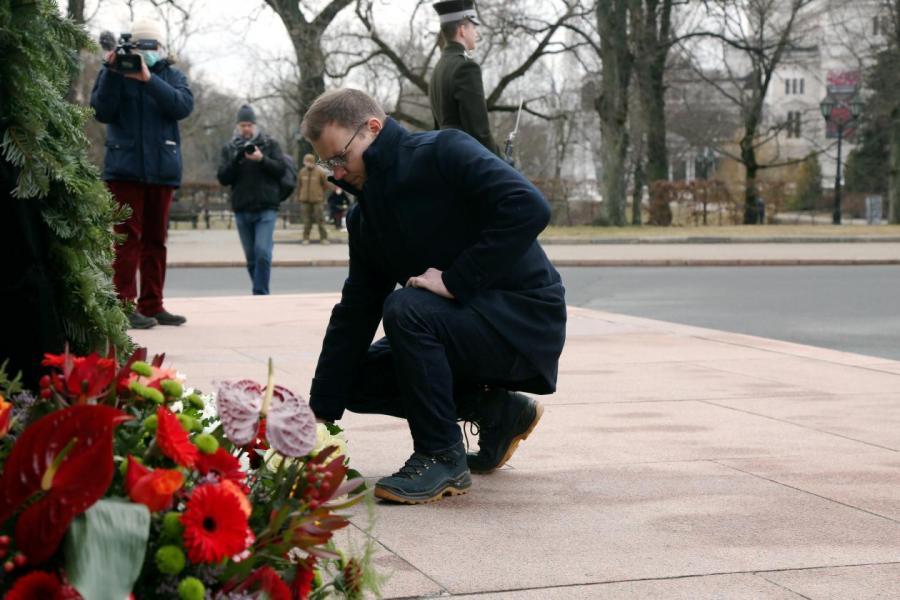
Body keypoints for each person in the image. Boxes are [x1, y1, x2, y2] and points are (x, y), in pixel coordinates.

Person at [301, 89, 566, 505]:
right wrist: (319, 414)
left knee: (407, 309)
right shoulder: (365, 218)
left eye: (340, 158)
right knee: (351, 376)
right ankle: (497, 412)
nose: (335, 174)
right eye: (327, 164)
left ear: (373, 128)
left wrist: (457, 280)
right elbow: (355, 311)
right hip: (460, 325)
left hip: (522, 321)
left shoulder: (444, 150)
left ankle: (441, 455)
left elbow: (529, 207)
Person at [90, 17, 193, 329]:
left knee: (156, 240)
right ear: (131, 47)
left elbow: (182, 106)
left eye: (152, 46)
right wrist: (111, 71)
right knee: (126, 239)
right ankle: (124, 305)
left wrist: (149, 79)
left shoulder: (172, 75)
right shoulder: (114, 74)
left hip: (162, 169)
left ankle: (153, 304)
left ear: (161, 48)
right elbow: (100, 111)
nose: (147, 52)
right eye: (141, 46)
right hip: (125, 171)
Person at [216, 105, 288, 295]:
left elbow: (281, 170)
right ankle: (260, 291)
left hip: (267, 208)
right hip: (242, 208)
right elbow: (223, 178)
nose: (246, 129)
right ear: (237, 126)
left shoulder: (270, 144)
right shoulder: (230, 148)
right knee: (251, 257)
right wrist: (237, 158)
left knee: (262, 253)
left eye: (249, 125)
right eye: (243, 125)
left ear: (255, 125)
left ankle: (260, 293)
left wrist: (261, 159)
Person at [429, 0, 499, 155]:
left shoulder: (439, 67)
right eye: (473, 27)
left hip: (447, 159)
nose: (476, 33)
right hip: (467, 162)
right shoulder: (466, 67)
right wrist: (503, 164)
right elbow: (479, 132)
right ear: (462, 30)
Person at [297, 153, 330, 244]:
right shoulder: (302, 172)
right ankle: (305, 238)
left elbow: (326, 185)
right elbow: (299, 186)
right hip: (305, 200)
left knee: (320, 220)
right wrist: (299, 196)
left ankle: (324, 238)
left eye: (307, 162)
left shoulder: (320, 172)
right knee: (306, 221)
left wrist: (319, 193)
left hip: (317, 200)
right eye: (305, 162)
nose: (306, 163)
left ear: (312, 162)